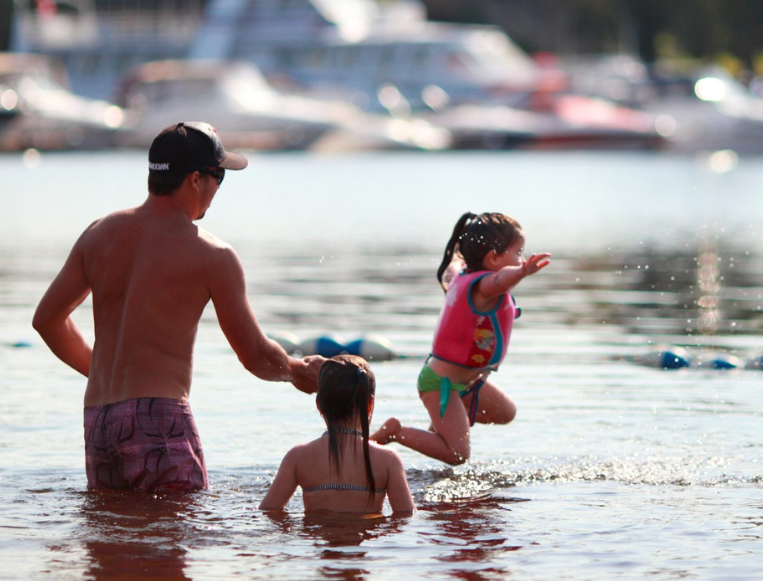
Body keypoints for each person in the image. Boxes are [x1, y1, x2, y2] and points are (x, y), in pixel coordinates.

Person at [31, 121, 325, 492]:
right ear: (195, 180)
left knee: (110, 543)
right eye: (220, 176)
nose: (218, 189)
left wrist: (103, 371)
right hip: (160, 419)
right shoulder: (212, 255)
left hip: (99, 420)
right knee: (171, 541)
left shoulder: (98, 233)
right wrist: (297, 371)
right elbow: (253, 353)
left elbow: (47, 320)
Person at [373, 211, 550, 465]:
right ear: (493, 258)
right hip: (439, 383)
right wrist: (522, 271)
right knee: (457, 454)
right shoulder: (484, 287)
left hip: (467, 383)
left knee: (506, 412)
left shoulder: (462, 274)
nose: (521, 258)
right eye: (518, 253)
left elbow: (453, 268)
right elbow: (500, 280)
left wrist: (462, 247)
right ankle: (396, 432)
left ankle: (443, 426)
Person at [260, 355, 414, 514]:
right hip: (367, 535)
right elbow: (405, 516)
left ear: (319, 405)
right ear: (369, 405)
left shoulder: (297, 457)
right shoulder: (388, 460)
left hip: (315, 536)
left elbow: (268, 510)